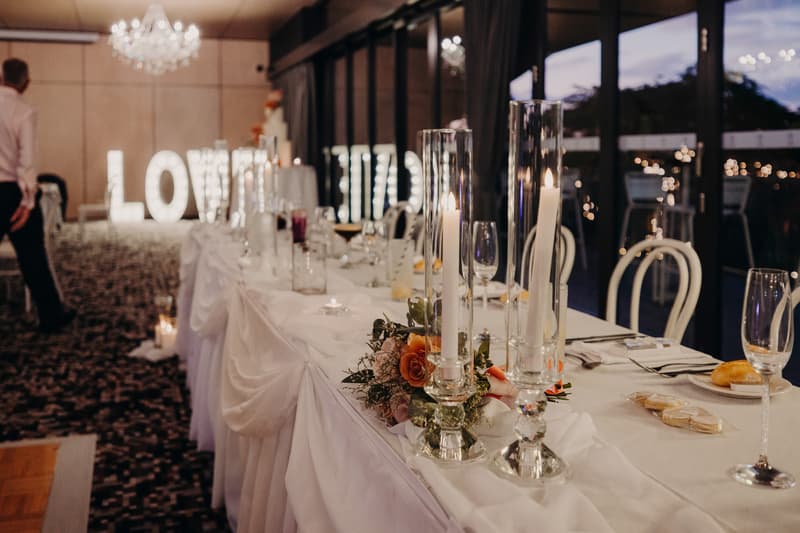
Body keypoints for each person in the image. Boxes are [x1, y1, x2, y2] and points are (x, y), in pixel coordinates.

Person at [0, 58, 74, 332]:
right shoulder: (24, 111)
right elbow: (27, 161)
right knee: (32, 256)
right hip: (13, 193)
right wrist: (28, 202)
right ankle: (52, 316)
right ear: (26, 82)